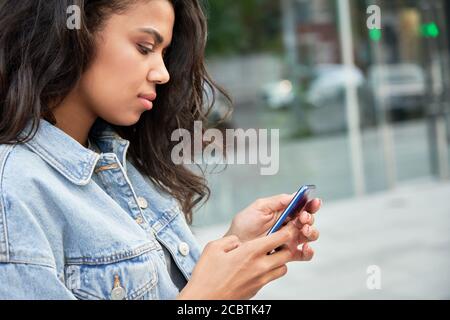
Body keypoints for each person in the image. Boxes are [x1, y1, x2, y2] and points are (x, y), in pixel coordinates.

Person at [0, 0, 321, 300]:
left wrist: (236, 249)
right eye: (144, 47)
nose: (162, 73)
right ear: (75, 31)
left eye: (164, 54)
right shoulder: (13, 190)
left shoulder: (124, 166)